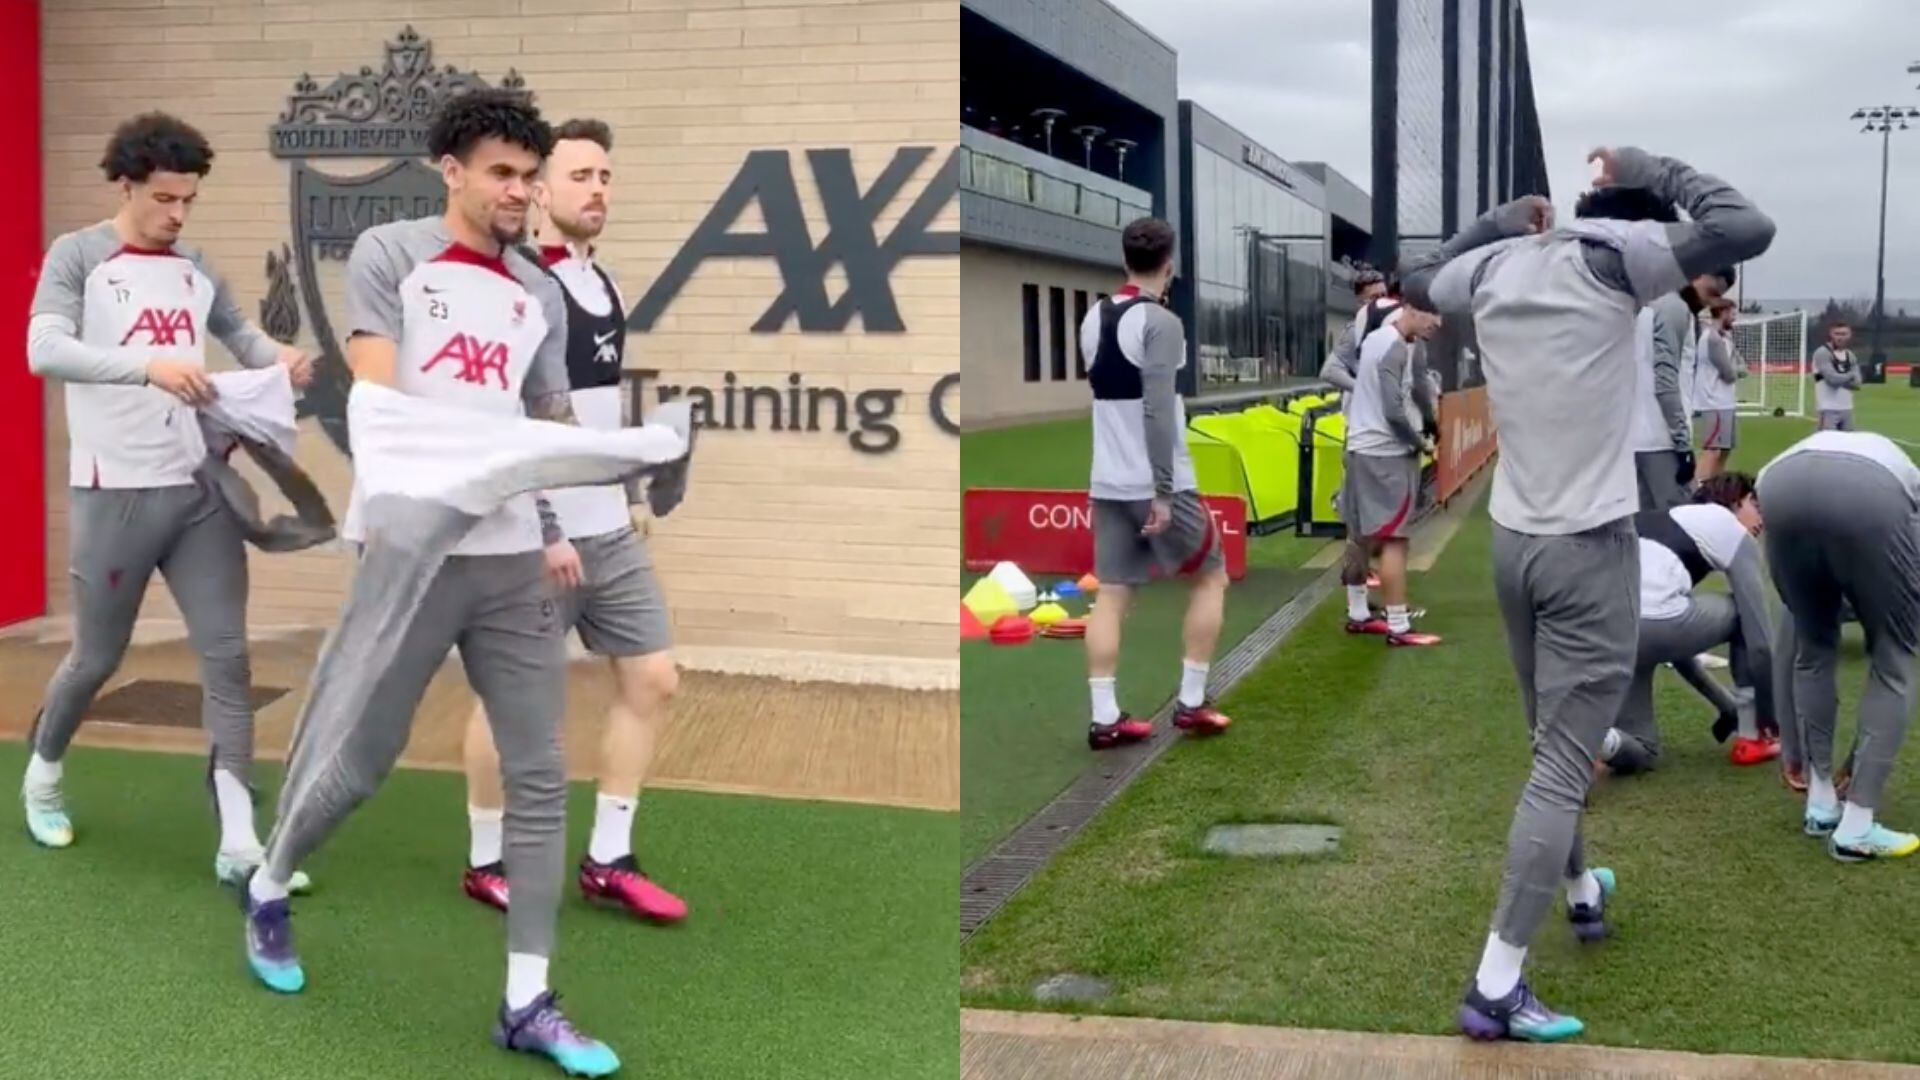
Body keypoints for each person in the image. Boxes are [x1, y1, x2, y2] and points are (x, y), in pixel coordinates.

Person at [238, 90, 622, 1076]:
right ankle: (272, 881)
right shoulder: (390, 257)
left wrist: (583, 485)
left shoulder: (536, 291)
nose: (519, 193)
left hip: (507, 563)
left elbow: (544, 424)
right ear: (450, 168)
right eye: (502, 173)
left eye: (530, 177)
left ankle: (527, 1001)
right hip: (408, 548)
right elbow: (379, 403)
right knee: (363, 762)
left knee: (539, 775)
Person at [1403, 144, 1774, 1042]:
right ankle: (1497, 985)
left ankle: (1576, 888)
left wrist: (1494, 222)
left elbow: (1417, 277)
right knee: (1565, 762)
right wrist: (1651, 166)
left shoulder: (1495, 264)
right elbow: (1744, 228)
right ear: (1647, 223)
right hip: (1586, 548)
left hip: (1516, 542)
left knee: (1549, 747)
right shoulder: (1617, 258)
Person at [20, 111, 316, 887]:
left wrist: (279, 360)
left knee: (227, 658)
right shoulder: (77, 256)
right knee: (97, 658)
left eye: (188, 200)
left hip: (197, 493)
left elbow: (242, 339)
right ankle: (43, 772)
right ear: (126, 184)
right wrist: (145, 365)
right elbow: (42, 349)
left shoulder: (194, 266)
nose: (177, 214)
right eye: (163, 198)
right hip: (112, 497)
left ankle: (239, 839)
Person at [459, 118, 687, 924]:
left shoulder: (608, 284)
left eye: (606, 176)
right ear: (539, 189)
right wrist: (545, 519)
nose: (598, 189)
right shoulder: (515, 288)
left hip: (608, 529)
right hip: (529, 535)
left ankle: (608, 858)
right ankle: (486, 861)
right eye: (581, 175)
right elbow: (507, 420)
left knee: (652, 678)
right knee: (509, 698)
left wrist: (627, 495)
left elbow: (597, 410)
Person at [1081, 217, 1232, 751]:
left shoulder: (1092, 317)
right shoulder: (1161, 323)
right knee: (1211, 578)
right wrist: (1165, 492)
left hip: (1108, 482)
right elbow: (1158, 413)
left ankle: (1105, 718)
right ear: (1170, 265)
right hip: (1157, 483)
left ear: (1125, 259)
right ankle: (1191, 704)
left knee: (1113, 596)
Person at [1760, 430, 1920, 862]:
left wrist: (1792, 749)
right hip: (1871, 492)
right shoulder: (1907, 485)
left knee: (1812, 648)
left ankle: (1820, 799)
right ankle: (1857, 825)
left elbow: (1786, 642)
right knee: (1895, 659)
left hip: (1777, 483)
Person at [1596, 472, 1778, 777]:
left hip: (1609, 631)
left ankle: (1599, 739)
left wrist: (1725, 703)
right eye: (1755, 505)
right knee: (1743, 612)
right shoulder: (1729, 527)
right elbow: (1760, 643)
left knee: (1643, 749)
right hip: (1649, 624)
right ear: (1735, 501)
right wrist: (1769, 719)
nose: (1763, 519)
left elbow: (1675, 647)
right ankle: (1752, 737)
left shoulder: (1661, 521)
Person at [1581, 188, 1709, 512]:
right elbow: (1666, 382)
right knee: (1672, 534)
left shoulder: (1619, 303)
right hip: (1660, 441)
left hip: (1620, 441)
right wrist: (1683, 445)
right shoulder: (1670, 306)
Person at [1340, 300, 1443, 646]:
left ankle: (1358, 614)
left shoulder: (1374, 340)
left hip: (1359, 448)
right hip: (1386, 455)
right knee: (1394, 540)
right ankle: (1398, 625)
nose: (1437, 325)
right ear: (1410, 309)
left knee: (1360, 535)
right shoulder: (1396, 347)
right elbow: (1394, 410)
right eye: (1432, 316)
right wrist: (1421, 443)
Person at [1691, 301, 1743, 481]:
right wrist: (1736, 371)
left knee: (1725, 450)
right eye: (1732, 313)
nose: (1734, 317)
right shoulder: (1712, 338)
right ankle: (1698, 488)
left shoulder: (1725, 338)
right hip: (1713, 401)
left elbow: (1740, 365)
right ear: (1722, 312)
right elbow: (1729, 373)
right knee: (1713, 450)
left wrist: (1737, 369)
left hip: (1726, 401)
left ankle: (1715, 487)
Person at [1811, 321, 1862, 431]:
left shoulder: (1850, 355)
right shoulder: (1822, 353)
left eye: (1844, 334)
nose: (1840, 337)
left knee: (1848, 444)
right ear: (1831, 334)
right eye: (1837, 334)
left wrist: (1842, 379)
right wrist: (1850, 375)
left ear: (1850, 335)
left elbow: (1858, 384)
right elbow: (1832, 380)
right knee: (1827, 444)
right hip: (1827, 408)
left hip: (1847, 407)